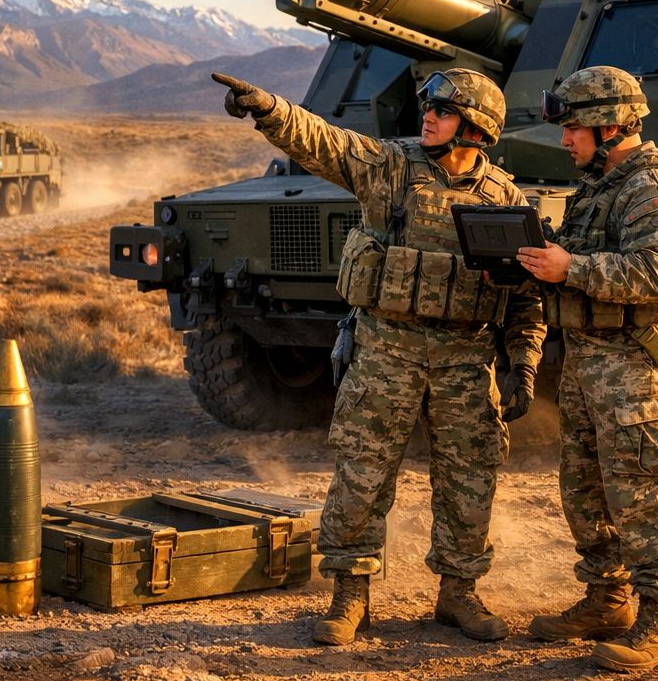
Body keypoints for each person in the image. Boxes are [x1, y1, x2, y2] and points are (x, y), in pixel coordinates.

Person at [212, 67, 545, 646]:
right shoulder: (390, 168)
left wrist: (525, 361)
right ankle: (350, 596)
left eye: (443, 112)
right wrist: (269, 108)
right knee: (362, 473)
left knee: (470, 479)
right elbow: (323, 141)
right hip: (386, 350)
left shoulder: (504, 201)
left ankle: (458, 593)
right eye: (430, 110)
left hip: (465, 361)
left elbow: (524, 296)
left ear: (475, 130)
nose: (429, 118)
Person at [514, 65, 658, 672]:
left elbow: (653, 275)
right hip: (590, 362)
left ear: (611, 126)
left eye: (574, 129)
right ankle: (607, 599)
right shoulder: (602, 184)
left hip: (634, 367)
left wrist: (571, 269)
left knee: (642, 492)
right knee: (585, 490)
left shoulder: (651, 187)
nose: (565, 141)